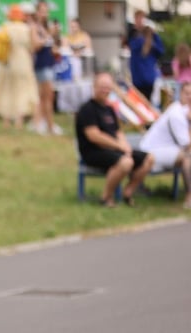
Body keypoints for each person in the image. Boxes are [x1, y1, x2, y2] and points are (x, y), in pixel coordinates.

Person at [75, 72, 155, 207]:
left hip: (114, 150)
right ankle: (106, 197)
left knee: (149, 159)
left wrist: (125, 146)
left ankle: (128, 193)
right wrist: (119, 146)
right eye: (102, 87)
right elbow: (94, 136)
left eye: (108, 87)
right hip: (93, 152)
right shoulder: (87, 109)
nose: (105, 90)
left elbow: (118, 132)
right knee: (125, 162)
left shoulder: (109, 109)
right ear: (94, 87)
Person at [139, 81, 191, 209]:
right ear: (180, 94)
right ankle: (189, 197)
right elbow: (187, 145)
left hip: (165, 150)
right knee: (188, 157)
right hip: (150, 153)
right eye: (187, 93)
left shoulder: (183, 110)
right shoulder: (176, 114)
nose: (190, 97)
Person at [0, 3, 39, 130]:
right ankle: (19, 121)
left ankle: (6, 122)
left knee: (6, 91)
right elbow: (32, 47)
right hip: (22, 62)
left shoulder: (4, 28)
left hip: (6, 64)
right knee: (22, 91)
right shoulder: (26, 28)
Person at [31, 0, 63, 135]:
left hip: (49, 64)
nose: (45, 14)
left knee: (47, 97)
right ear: (37, 12)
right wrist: (48, 35)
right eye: (42, 11)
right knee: (45, 97)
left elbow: (53, 46)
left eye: (46, 11)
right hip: (41, 66)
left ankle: (44, 123)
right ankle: (44, 125)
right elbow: (35, 46)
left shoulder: (46, 28)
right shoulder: (34, 28)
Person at [128, 10, 164, 103]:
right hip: (144, 78)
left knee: (141, 103)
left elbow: (160, 51)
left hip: (142, 78)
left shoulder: (141, 40)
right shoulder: (136, 38)